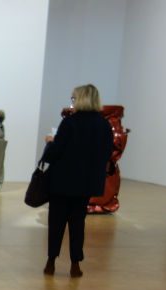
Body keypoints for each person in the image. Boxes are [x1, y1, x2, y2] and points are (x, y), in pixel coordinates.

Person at [41, 84, 114, 278]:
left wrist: (50, 142)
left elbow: (55, 154)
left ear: (80, 99)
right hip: (86, 184)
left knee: (56, 222)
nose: (72, 102)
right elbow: (107, 153)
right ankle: (75, 264)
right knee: (77, 223)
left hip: (63, 181)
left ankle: (51, 262)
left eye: (73, 98)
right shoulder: (104, 125)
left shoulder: (69, 123)